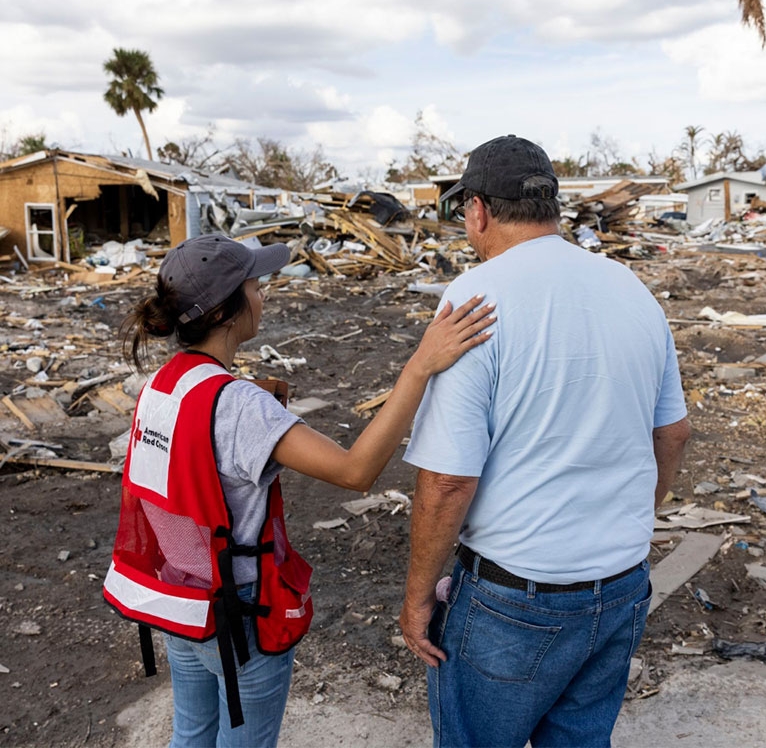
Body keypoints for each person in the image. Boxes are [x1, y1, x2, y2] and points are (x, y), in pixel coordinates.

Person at [102, 233, 495, 748]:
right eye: (257, 286)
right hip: (240, 613)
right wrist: (420, 365)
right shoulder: (240, 405)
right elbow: (356, 470)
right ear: (226, 311)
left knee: (192, 734)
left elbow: (194, 460)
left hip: (182, 596)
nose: (263, 296)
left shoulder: (165, 383)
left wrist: (253, 403)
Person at [399, 135, 691, 748]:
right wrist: (628, 521)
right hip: (621, 583)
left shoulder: (473, 300)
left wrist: (418, 597)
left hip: (517, 595)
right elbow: (673, 433)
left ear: (477, 210)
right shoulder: (632, 290)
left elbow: (449, 479)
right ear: (551, 206)